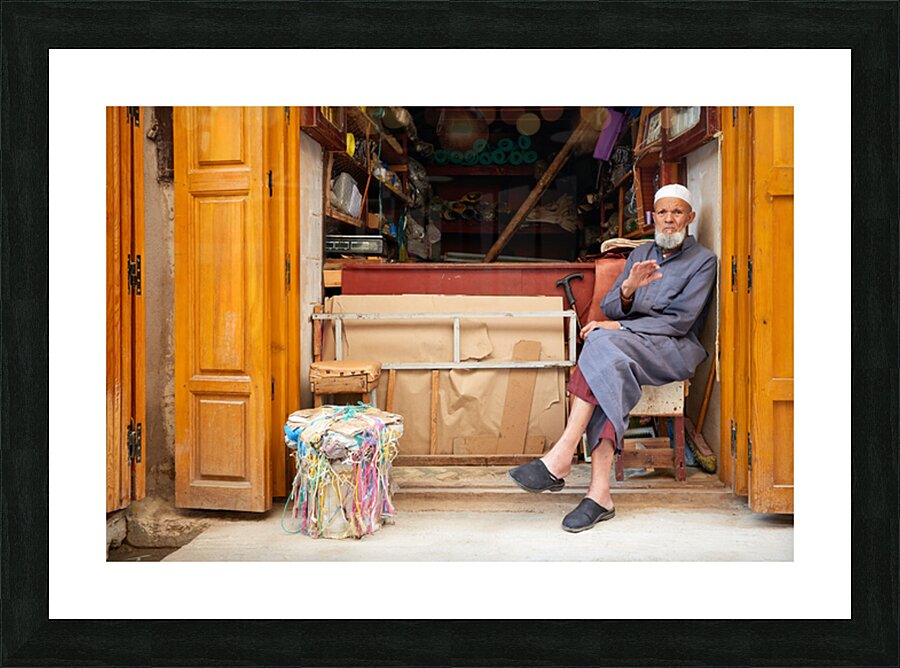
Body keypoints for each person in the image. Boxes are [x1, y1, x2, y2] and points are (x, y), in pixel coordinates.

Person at [508, 184, 717, 532]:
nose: (669, 220)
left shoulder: (703, 261)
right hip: (624, 347)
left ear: (690, 217)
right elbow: (606, 307)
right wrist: (627, 289)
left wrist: (618, 326)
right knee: (608, 360)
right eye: (662, 213)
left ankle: (562, 455)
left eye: (677, 212)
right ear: (654, 217)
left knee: (601, 343)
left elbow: (679, 322)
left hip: (672, 348)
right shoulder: (639, 255)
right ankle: (599, 494)